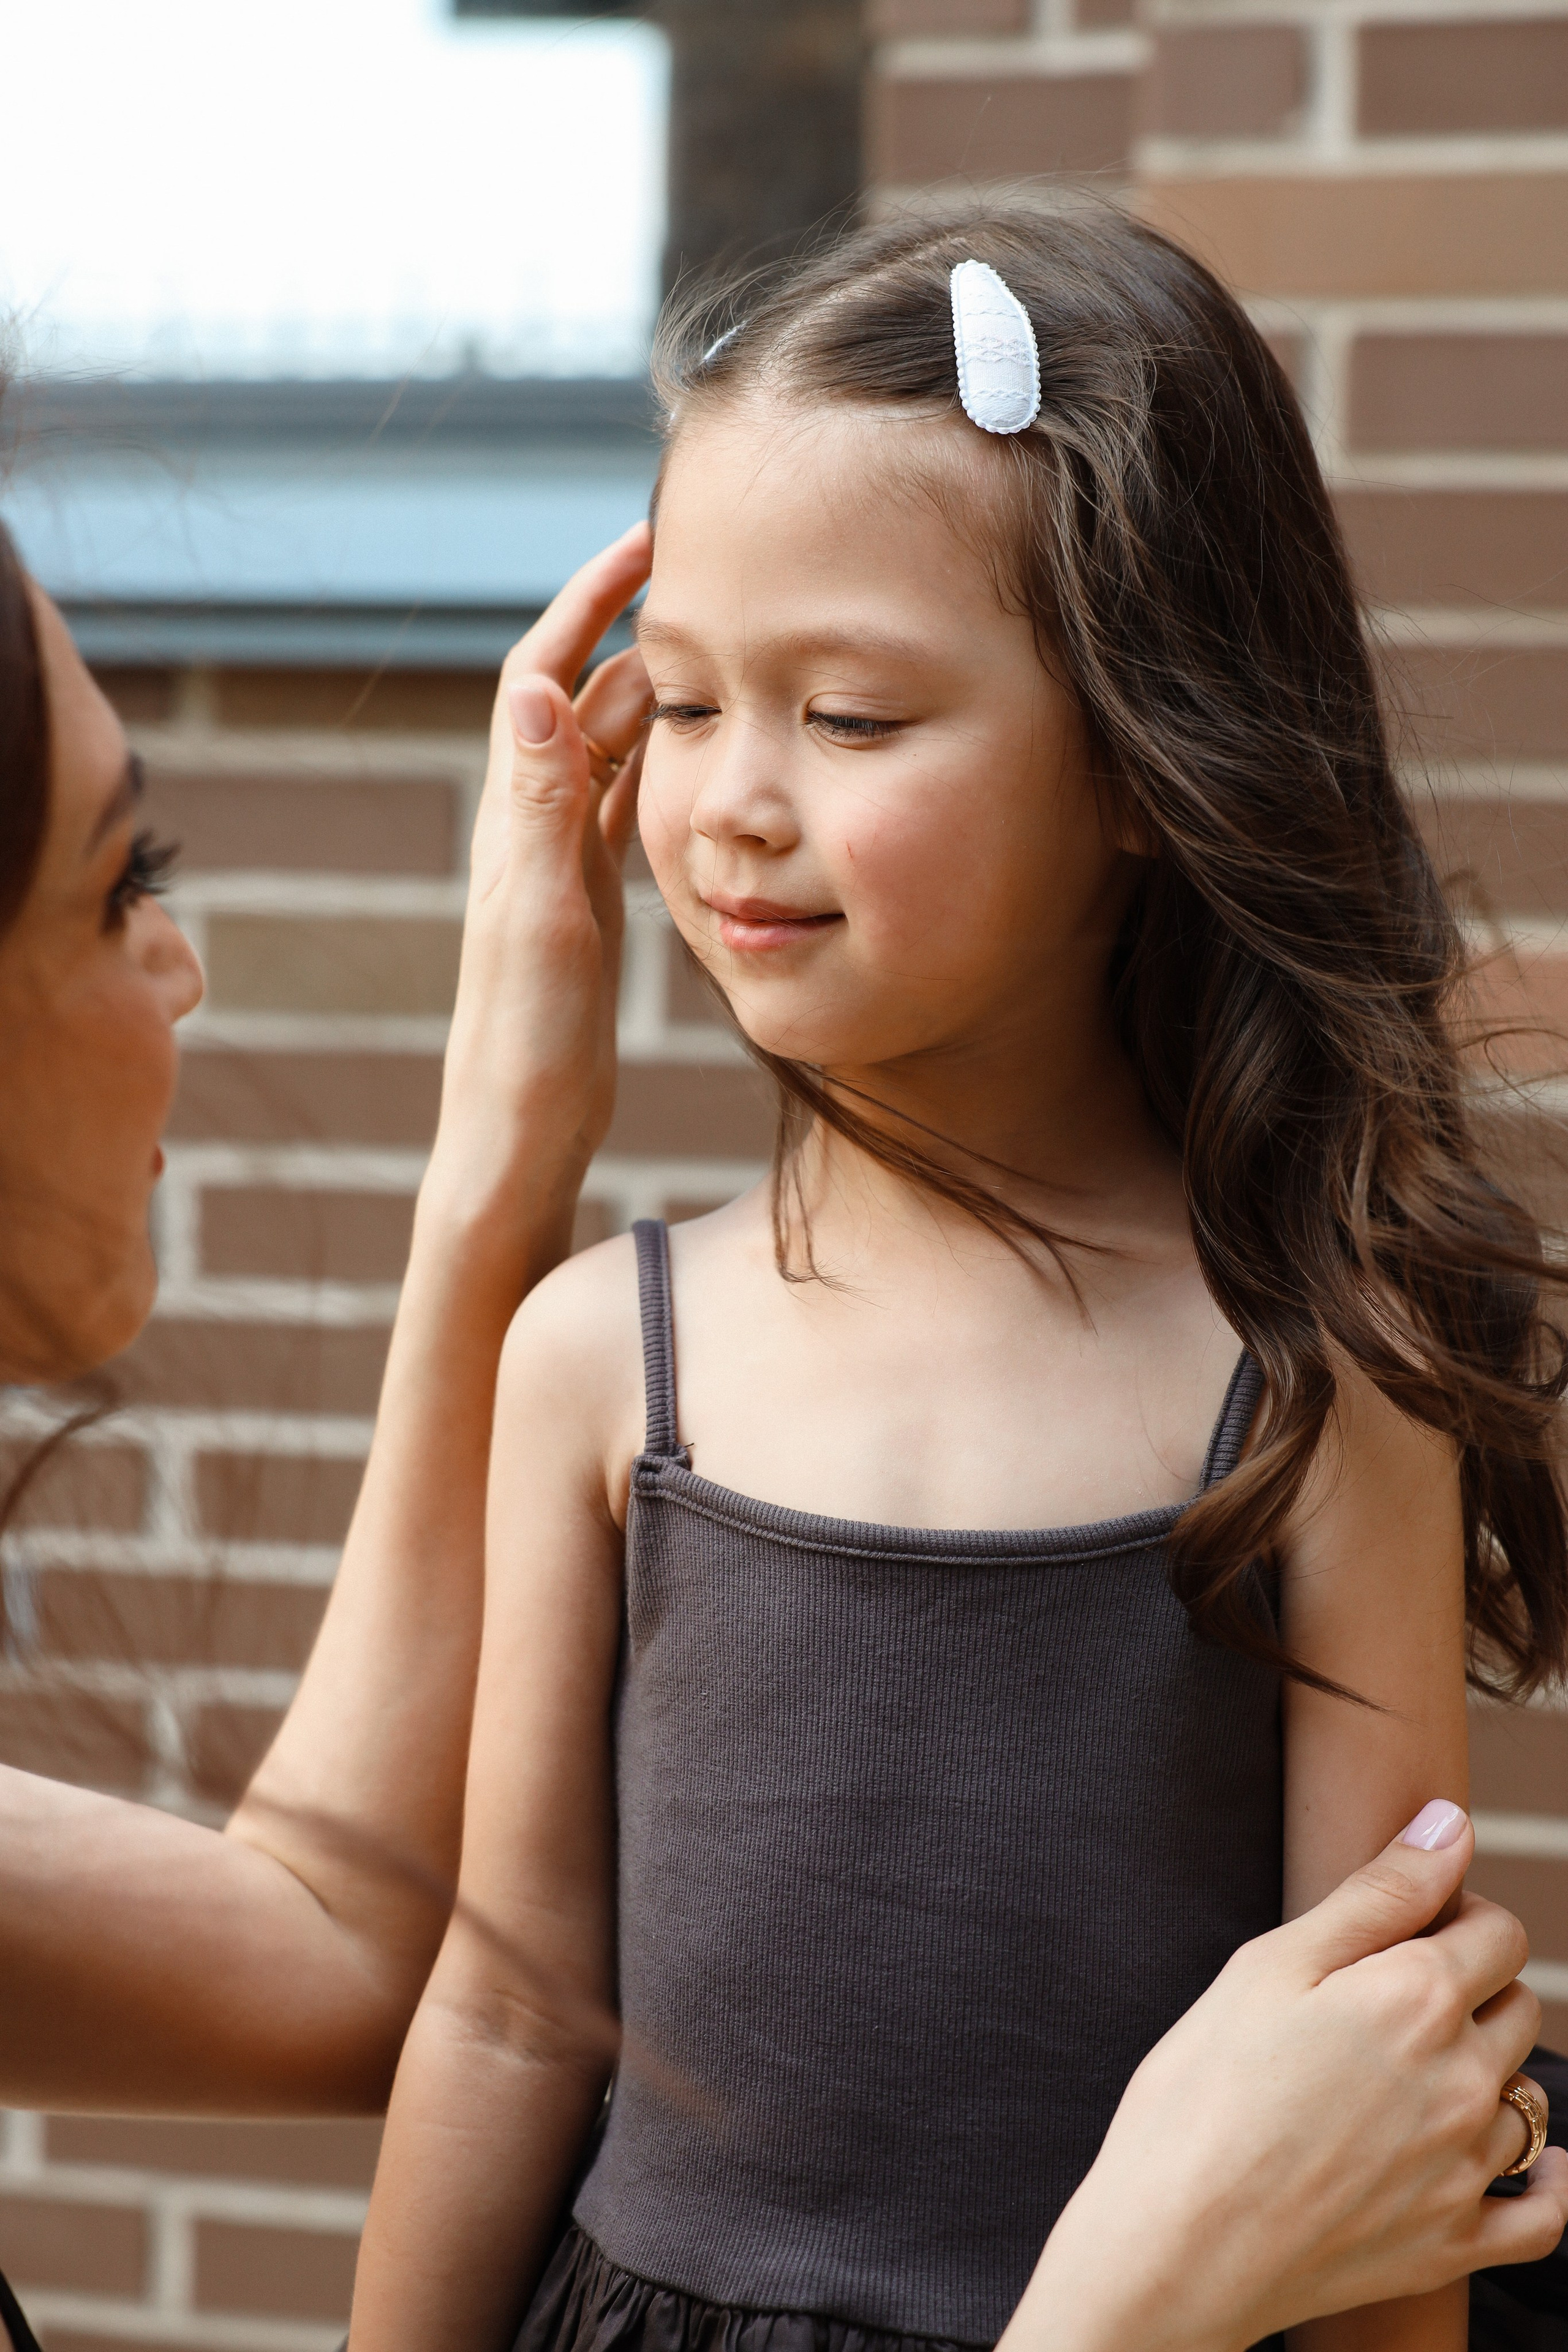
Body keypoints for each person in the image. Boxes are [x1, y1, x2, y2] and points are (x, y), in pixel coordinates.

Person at [0, 333, 1562, 2350]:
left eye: (842, 714)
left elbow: (1380, 2097)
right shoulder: (603, 1358)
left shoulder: (1314, 1388)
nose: (732, 799)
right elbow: (493, 2004)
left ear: (1149, 762)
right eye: (687, 698)